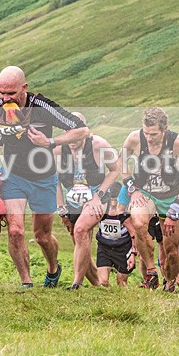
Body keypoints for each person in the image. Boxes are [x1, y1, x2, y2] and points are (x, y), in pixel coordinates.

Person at [0, 66, 88, 288]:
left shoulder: (41, 107)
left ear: (24, 87)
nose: (6, 98)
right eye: (2, 92)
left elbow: (81, 130)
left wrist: (50, 142)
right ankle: (26, 283)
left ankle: (53, 269)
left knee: (42, 236)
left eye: (11, 93)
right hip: (13, 176)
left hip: (44, 178)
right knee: (16, 231)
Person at [121, 108, 179, 292]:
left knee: (171, 252)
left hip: (170, 197)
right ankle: (151, 271)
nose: (149, 138)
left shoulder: (177, 143)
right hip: (145, 193)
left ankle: (170, 282)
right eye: (146, 133)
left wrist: (174, 211)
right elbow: (120, 162)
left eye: (153, 134)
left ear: (165, 129)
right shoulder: (135, 138)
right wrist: (132, 189)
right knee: (138, 223)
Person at [54, 112, 121, 290]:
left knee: (81, 230)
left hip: (96, 197)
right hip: (72, 201)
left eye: (77, 133)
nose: (72, 138)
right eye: (68, 133)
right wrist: (61, 207)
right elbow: (54, 180)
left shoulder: (98, 144)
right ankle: (99, 285)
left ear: (85, 131)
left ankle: (76, 283)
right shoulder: (58, 150)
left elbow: (115, 169)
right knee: (80, 241)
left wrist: (98, 196)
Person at [94, 182, 137, 287]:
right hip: (104, 247)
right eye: (111, 199)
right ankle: (109, 295)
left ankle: (120, 297)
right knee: (102, 282)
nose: (113, 202)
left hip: (123, 248)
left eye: (116, 199)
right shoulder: (102, 208)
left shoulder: (126, 211)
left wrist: (133, 253)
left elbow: (134, 233)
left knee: (121, 283)